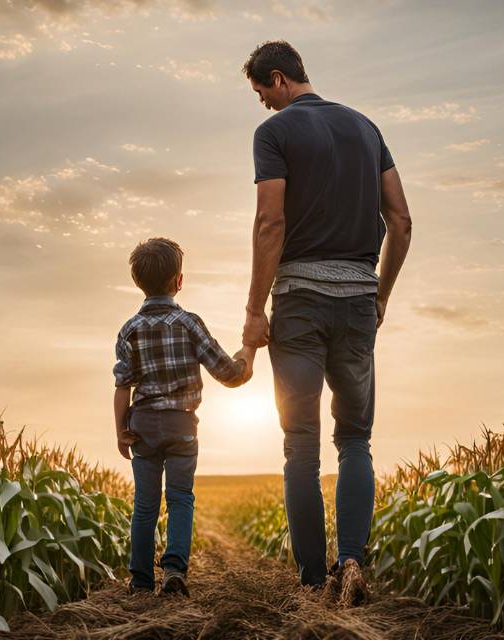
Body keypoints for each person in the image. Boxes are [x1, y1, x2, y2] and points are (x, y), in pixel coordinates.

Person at [240, 41, 413, 604]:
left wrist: (252, 311)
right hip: (360, 298)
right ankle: (354, 560)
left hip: (299, 302)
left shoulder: (276, 133)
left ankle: (314, 581)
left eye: (262, 93)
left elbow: (271, 222)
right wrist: (380, 294)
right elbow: (402, 220)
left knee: (300, 444)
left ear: (278, 78)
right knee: (356, 439)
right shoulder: (367, 128)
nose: (264, 105)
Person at [113, 237, 255, 596]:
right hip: (181, 424)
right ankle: (175, 570)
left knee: (144, 505)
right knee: (179, 498)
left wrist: (120, 431)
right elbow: (228, 373)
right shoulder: (189, 324)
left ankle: (141, 580)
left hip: (142, 425)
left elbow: (122, 386)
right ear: (179, 280)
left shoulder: (129, 329)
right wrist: (247, 354)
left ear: (138, 282)